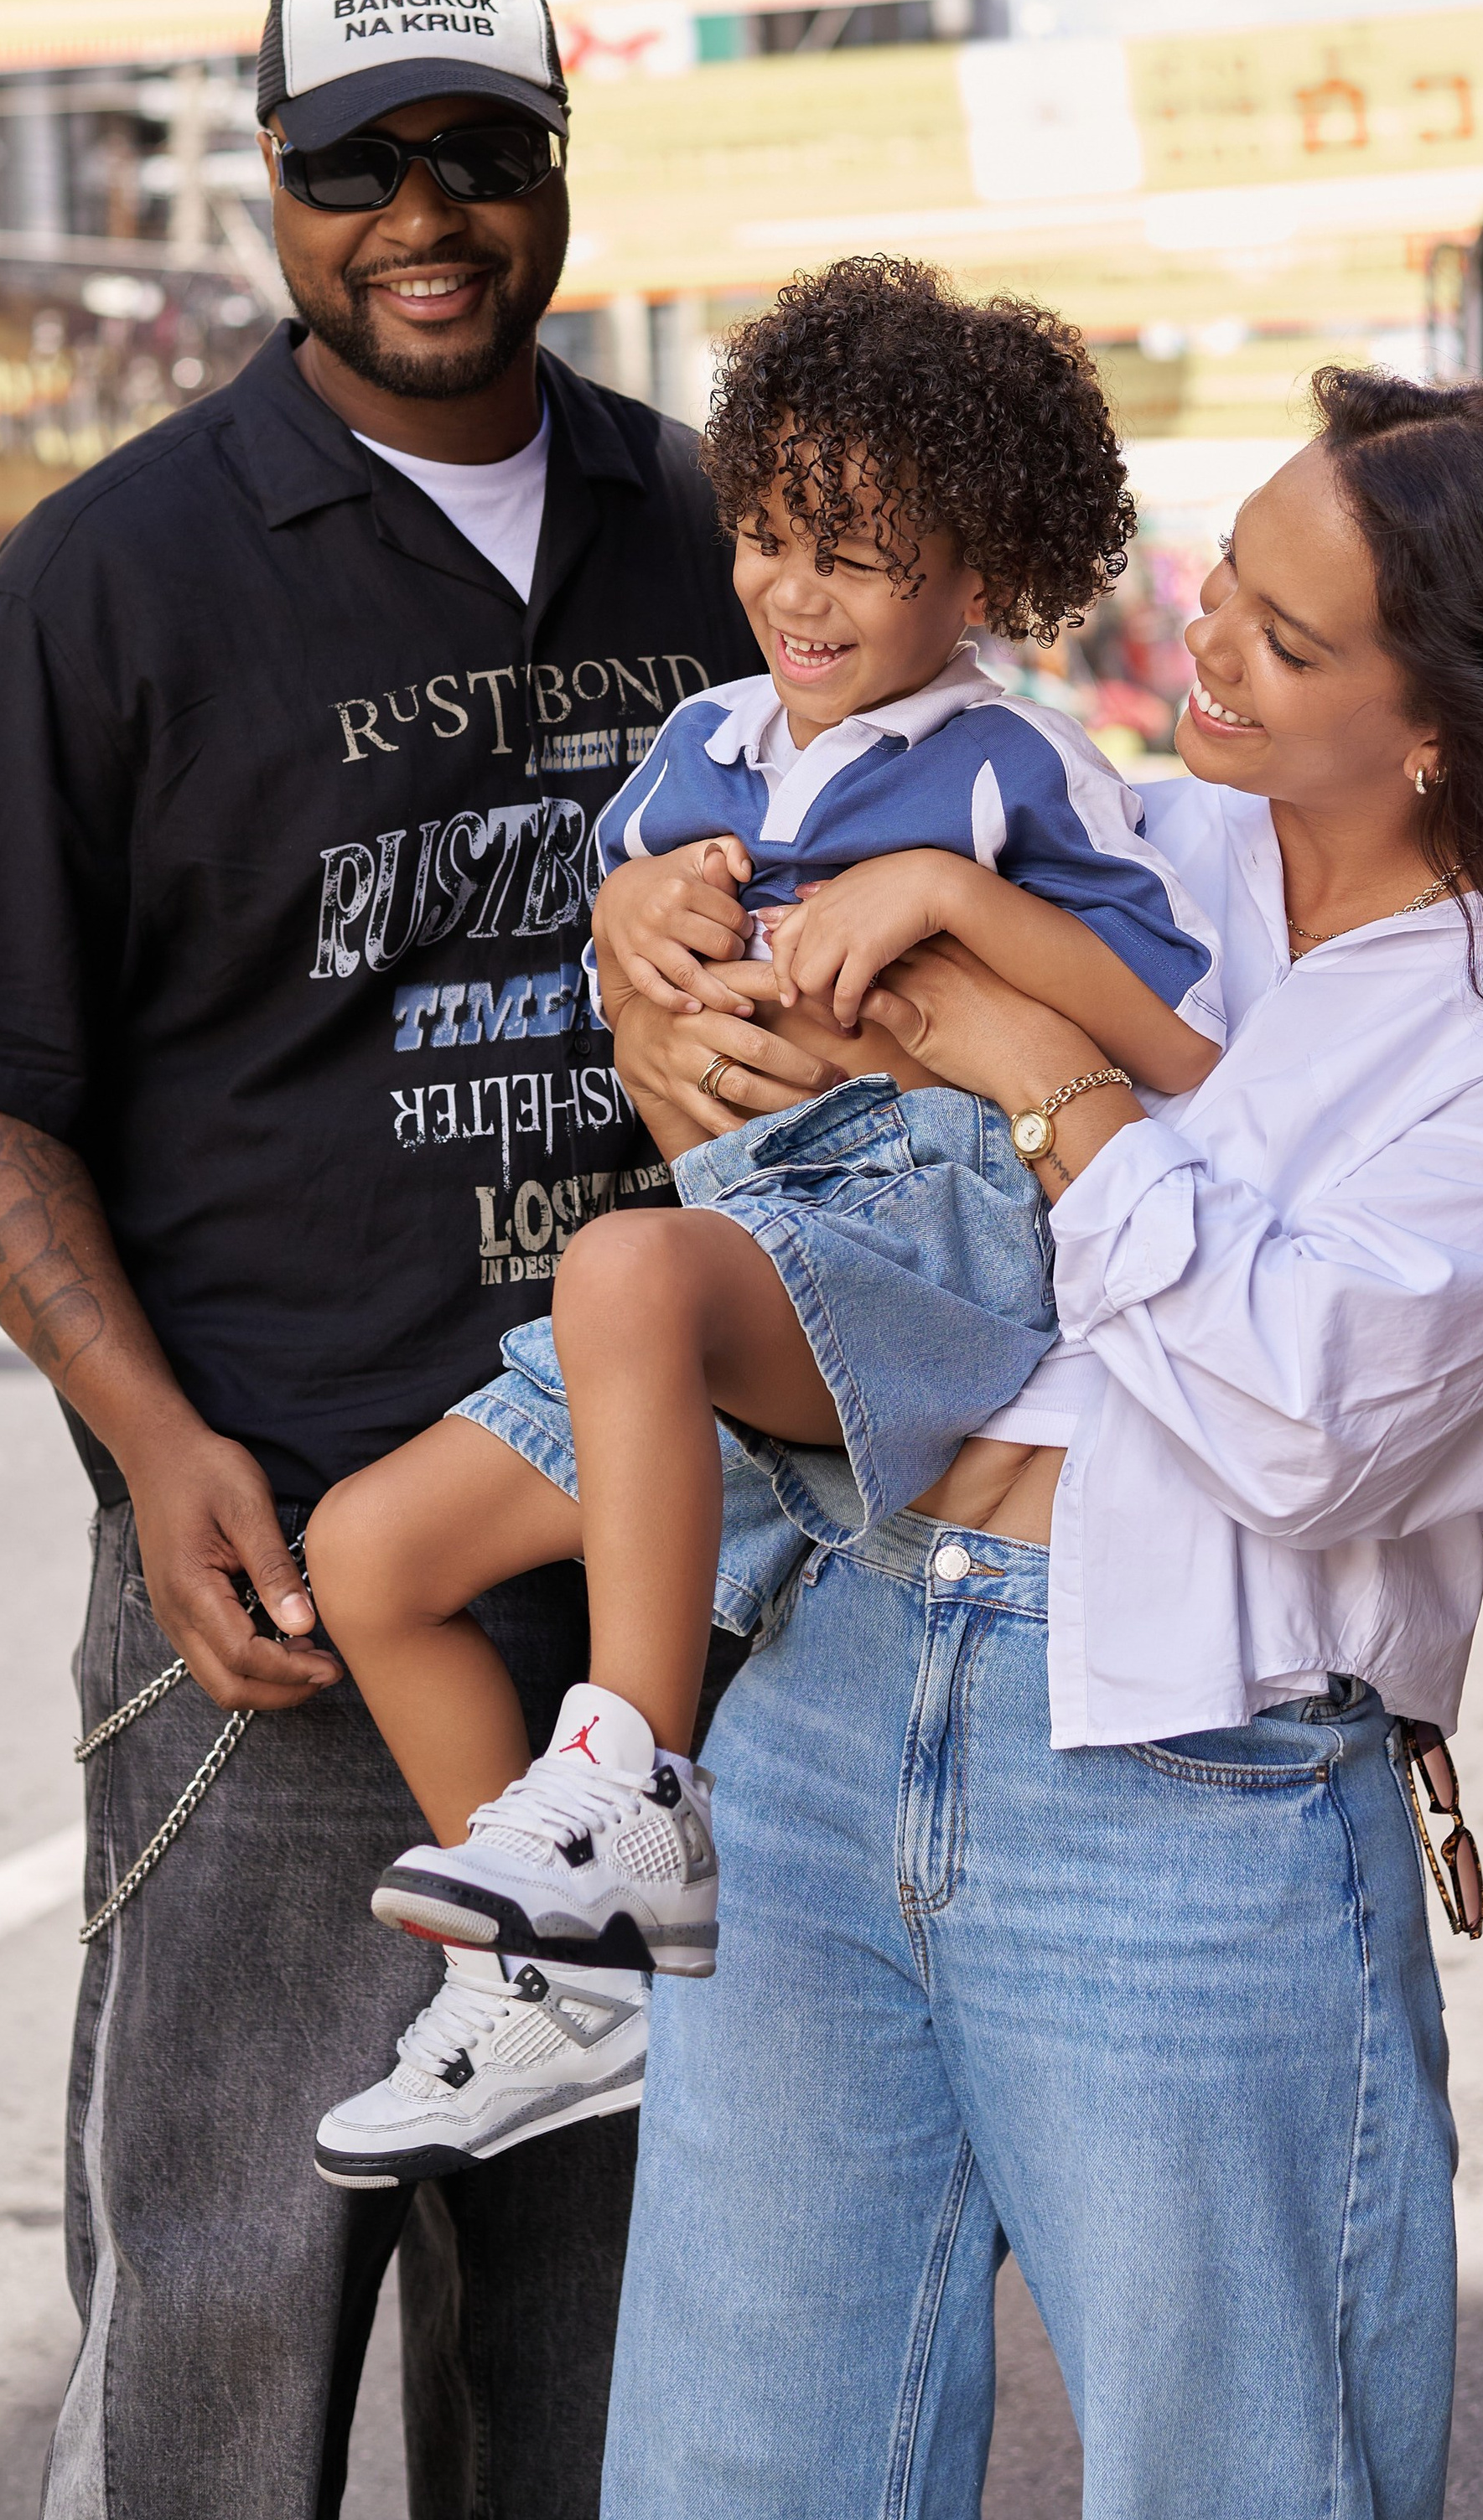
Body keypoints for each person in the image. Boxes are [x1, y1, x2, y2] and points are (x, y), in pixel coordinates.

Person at [594, 368, 1483, 2520]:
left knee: (1237, 2479)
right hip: (818, 1677)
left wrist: (1051, 1073)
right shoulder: (1130, 836)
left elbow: (1297, 1428)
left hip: (1183, 1772)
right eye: (1225, 579)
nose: (1207, 642)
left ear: (1444, 718)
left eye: (1283, 630)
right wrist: (656, 956)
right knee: (735, 2463)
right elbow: (797, 1107)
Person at [0, 0, 759, 2520]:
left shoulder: (708, 532)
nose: (422, 215)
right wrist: (148, 1444)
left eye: (479, 152)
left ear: (558, 164)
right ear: (274, 186)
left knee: (605, 2370)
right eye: (361, 164)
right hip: (281, 1616)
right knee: (231, 2327)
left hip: (660, 1632)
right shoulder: (111, 577)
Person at [303, 259, 1221, 2171]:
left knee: (621, 1261)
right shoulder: (701, 746)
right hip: (731, 1234)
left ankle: (626, 1792)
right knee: (372, 1547)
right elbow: (626, 962)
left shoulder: (1010, 763)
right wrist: (614, 928)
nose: (794, 592)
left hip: (934, 1238)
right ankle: (568, 1987)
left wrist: (964, 912)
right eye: (768, 536)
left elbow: (1184, 1043)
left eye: (857, 554)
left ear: (977, 572)